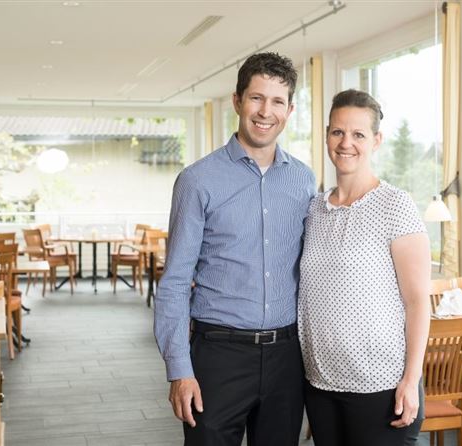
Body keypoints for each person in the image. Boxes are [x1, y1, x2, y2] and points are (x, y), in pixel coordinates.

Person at [154, 52, 316, 446]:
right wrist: (179, 370)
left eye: (277, 101)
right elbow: (175, 282)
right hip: (217, 356)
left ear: (290, 110)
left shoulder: (304, 180)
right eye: (256, 98)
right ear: (237, 101)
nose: (265, 112)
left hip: (286, 357)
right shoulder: (197, 180)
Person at [298, 89, 431, 446]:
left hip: (381, 386)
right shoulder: (314, 210)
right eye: (338, 132)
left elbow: (418, 302)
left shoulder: (395, 206)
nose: (346, 143)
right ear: (327, 136)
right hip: (321, 384)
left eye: (358, 134)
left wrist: (411, 379)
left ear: (376, 140)